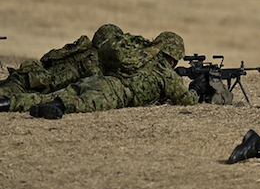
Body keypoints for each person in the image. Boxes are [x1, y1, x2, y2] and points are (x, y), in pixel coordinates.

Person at [1, 31, 209, 119]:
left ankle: (6, 102)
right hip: (114, 93)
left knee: (49, 95)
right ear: (173, 56)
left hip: (101, 79)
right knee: (76, 102)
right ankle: (57, 108)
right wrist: (197, 88)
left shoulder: (141, 55)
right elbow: (186, 101)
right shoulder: (166, 73)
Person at [0, 24, 123, 97]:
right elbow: (94, 83)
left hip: (33, 74)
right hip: (37, 83)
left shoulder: (81, 50)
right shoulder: (95, 60)